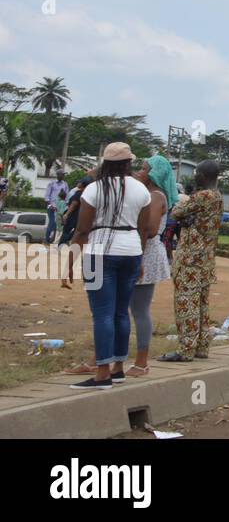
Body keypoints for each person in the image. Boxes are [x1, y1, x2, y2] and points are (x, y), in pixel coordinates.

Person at [69, 142, 151, 389]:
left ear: (105, 163)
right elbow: (144, 229)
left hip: (98, 253)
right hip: (131, 251)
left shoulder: (93, 190)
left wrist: (69, 262)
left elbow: (83, 229)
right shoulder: (141, 190)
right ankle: (118, 369)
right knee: (120, 311)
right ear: (128, 163)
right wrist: (141, 260)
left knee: (102, 314)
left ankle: (102, 374)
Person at [161, 160, 223, 362]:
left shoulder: (202, 196)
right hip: (206, 258)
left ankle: (186, 349)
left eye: (197, 173)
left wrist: (183, 217)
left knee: (186, 303)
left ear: (203, 176)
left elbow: (176, 212)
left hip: (190, 259)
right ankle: (202, 346)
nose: (194, 176)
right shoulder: (218, 196)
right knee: (202, 305)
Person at [126, 155, 174, 377]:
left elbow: (151, 229)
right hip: (142, 251)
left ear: (154, 173)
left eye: (144, 168)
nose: (139, 171)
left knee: (139, 310)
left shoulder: (156, 196)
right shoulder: (149, 194)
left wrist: (138, 257)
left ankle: (141, 362)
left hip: (145, 253)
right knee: (132, 309)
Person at [58, 174, 94, 289]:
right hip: (86, 224)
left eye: (80, 182)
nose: (78, 183)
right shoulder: (93, 194)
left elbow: (73, 205)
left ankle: (62, 249)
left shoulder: (80, 194)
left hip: (76, 221)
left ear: (83, 184)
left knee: (69, 236)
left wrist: (66, 214)